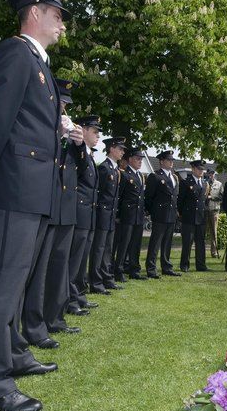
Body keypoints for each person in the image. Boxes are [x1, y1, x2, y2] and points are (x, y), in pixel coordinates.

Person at [0, 0, 71, 410]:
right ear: (35, 13)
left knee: (15, 282)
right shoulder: (16, 52)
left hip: (32, 188)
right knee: (1, 286)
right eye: (57, 14)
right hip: (15, 185)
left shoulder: (38, 62)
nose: (62, 24)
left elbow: (26, 120)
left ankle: (11, 353)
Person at [21, 79, 85, 349]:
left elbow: (76, 169)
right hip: (44, 206)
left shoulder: (65, 130)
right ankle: (34, 326)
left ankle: (55, 318)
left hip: (63, 208)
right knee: (39, 270)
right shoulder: (41, 124)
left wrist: (79, 145)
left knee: (59, 266)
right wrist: (56, 135)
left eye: (65, 105)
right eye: (59, 102)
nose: (62, 108)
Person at [67, 115, 101, 315]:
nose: (97, 136)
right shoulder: (78, 153)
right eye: (95, 131)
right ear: (84, 130)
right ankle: (70, 300)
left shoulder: (89, 155)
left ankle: (78, 294)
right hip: (79, 213)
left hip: (88, 215)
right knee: (73, 260)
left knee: (81, 261)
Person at [88, 137, 126, 294]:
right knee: (98, 249)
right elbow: (99, 192)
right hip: (102, 213)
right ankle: (96, 282)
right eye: (120, 149)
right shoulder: (104, 168)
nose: (122, 152)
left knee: (108, 249)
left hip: (110, 214)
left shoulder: (116, 169)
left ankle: (107, 278)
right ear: (111, 149)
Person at [145, 150, 182, 278]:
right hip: (160, 214)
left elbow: (175, 196)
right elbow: (149, 197)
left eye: (172, 160)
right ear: (161, 161)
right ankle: (151, 268)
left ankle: (166, 266)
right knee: (155, 242)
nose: (171, 162)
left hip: (171, 214)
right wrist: (152, 212)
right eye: (169, 160)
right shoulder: (155, 176)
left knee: (167, 242)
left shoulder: (174, 177)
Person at [114, 147, 147, 280]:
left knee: (135, 244)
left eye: (141, 159)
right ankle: (118, 270)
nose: (140, 162)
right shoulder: (124, 174)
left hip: (138, 216)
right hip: (126, 216)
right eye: (137, 159)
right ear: (130, 159)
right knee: (123, 245)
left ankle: (134, 270)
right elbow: (119, 196)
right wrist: (118, 215)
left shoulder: (140, 176)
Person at [178, 160, 209, 272]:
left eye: (202, 169)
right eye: (199, 169)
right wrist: (182, 214)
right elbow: (180, 201)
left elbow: (204, 201)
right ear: (193, 169)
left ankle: (201, 265)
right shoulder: (186, 182)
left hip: (200, 218)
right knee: (187, 243)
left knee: (201, 243)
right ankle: (184, 265)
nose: (201, 171)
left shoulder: (205, 183)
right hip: (189, 217)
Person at [205, 169, 222, 258]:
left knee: (213, 232)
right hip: (205, 210)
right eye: (209, 174)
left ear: (214, 174)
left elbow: (222, 196)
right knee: (202, 231)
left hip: (214, 210)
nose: (211, 175)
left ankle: (214, 252)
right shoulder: (204, 183)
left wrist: (212, 197)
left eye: (212, 174)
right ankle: (200, 252)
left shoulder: (219, 184)